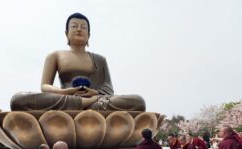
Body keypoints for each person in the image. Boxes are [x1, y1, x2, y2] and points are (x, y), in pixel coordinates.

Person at [11, 12, 145, 111]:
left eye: (83, 27)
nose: (79, 29)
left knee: (138, 102)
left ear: (89, 35)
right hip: (65, 98)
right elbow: (45, 86)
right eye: (74, 26)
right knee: (18, 100)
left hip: (97, 99)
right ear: (66, 33)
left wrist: (95, 93)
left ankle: (86, 103)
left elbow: (108, 89)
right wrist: (66, 92)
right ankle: (85, 104)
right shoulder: (55, 55)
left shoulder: (100, 59)